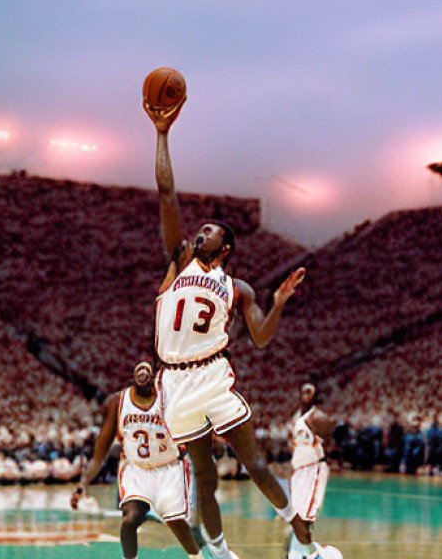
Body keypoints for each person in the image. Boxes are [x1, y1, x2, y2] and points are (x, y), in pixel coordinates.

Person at [145, 99, 324, 559]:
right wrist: (162, 135)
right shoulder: (178, 263)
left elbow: (261, 338)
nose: (199, 233)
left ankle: (305, 541)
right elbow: (167, 195)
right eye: (199, 229)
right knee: (205, 478)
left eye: (209, 230)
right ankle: (219, 553)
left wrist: (280, 302)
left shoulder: (238, 287)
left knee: (258, 463)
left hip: (211, 375)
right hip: (175, 382)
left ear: (225, 246)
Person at [71, 361, 204, 559]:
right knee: (130, 519)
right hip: (136, 469)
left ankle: (195, 556)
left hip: (169, 467)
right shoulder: (117, 403)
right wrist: (83, 484)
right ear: (133, 381)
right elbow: (99, 455)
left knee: (174, 519)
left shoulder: (172, 399)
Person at [287, 383, 336, 559]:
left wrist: (323, 456)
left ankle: (309, 553)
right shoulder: (296, 417)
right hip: (299, 470)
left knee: (307, 515)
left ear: (315, 395)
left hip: (313, 469)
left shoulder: (317, 416)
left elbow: (332, 439)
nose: (305, 395)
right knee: (297, 513)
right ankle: (301, 550)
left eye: (310, 392)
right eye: (303, 391)